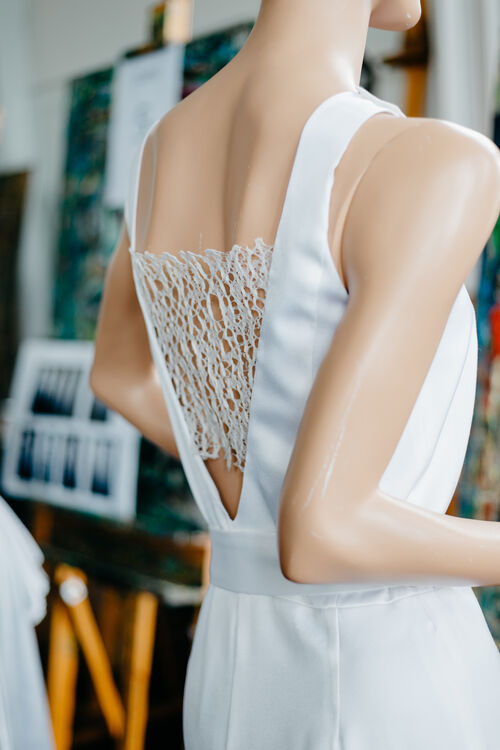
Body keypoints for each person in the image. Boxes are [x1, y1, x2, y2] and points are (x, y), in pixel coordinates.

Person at [90, 0, 500, 746]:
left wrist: (260, 476)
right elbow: (321, 531)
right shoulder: (434, 162)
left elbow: (115, 376)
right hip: (383, 675)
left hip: (230, 663)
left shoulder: (159, 150)